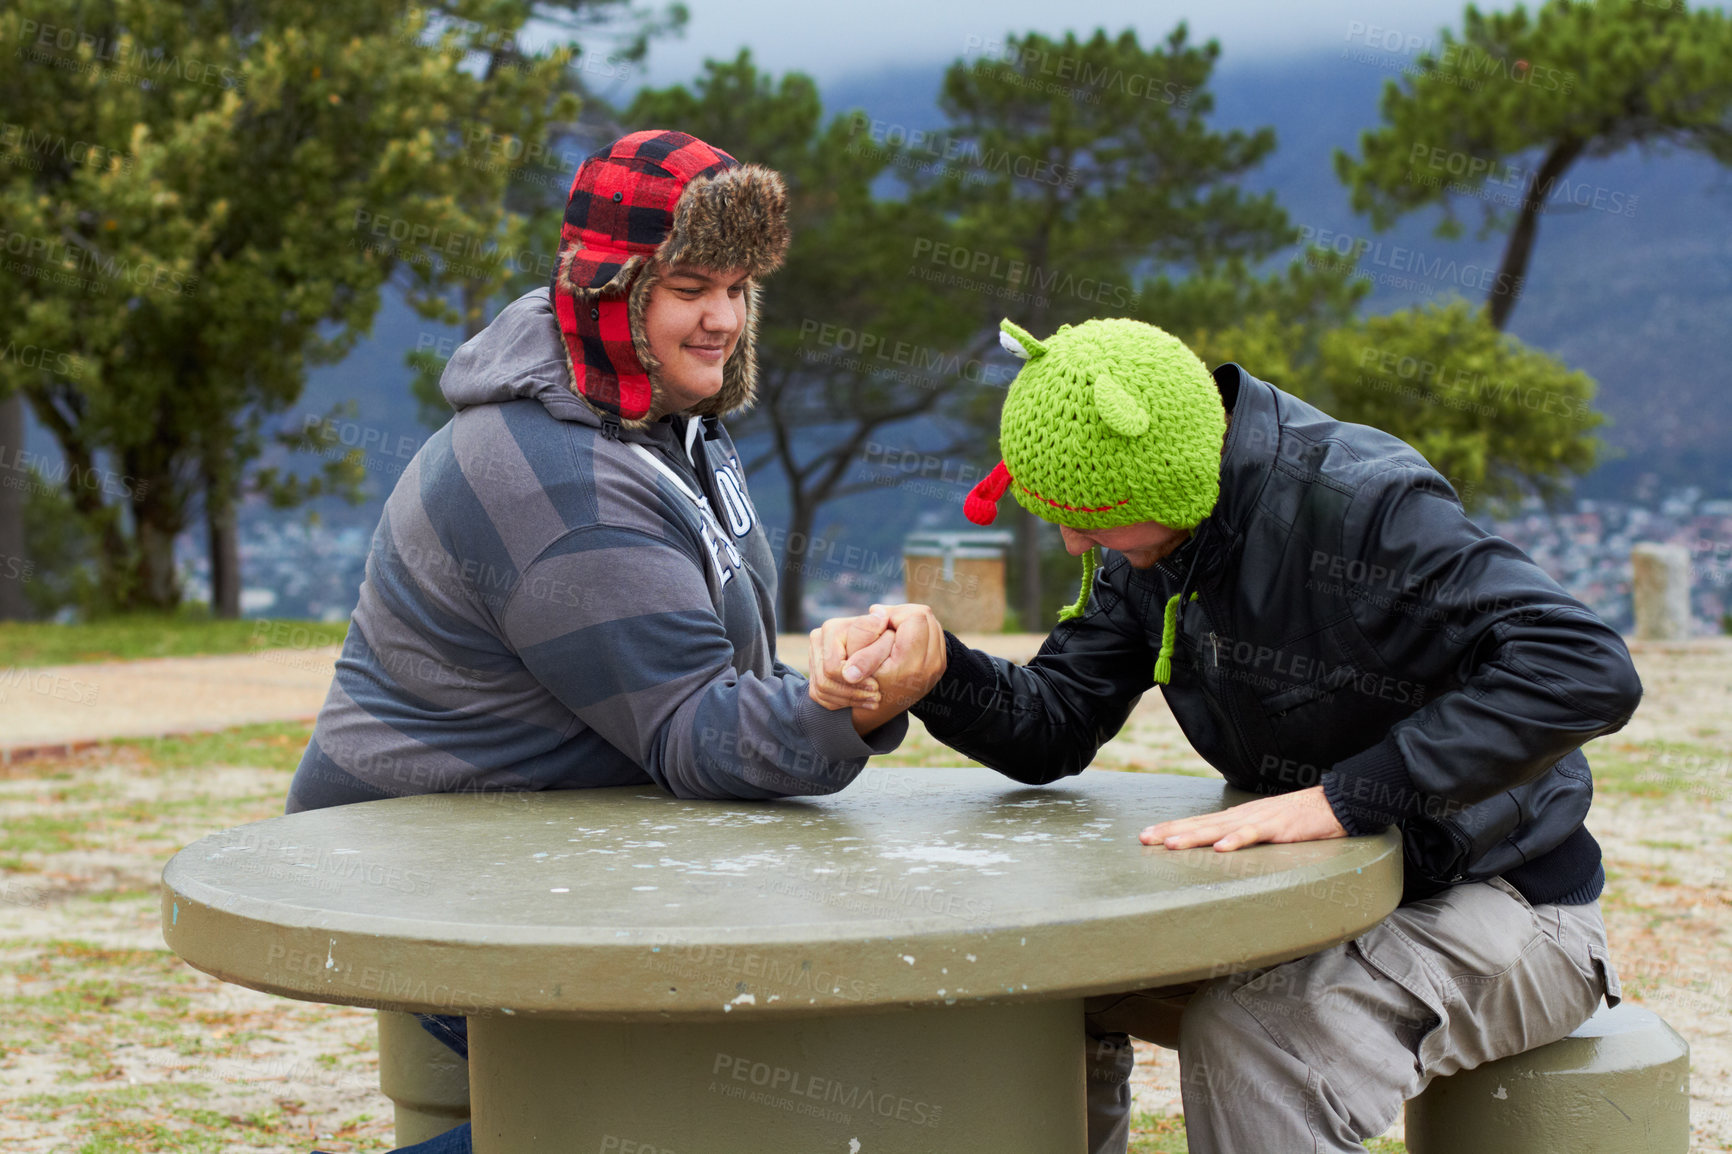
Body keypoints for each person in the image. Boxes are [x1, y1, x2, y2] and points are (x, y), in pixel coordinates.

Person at [811, 316, 1640, 1153]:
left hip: (1514, 903)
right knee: (1047, 983)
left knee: (1258, 1040)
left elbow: (1583, 665)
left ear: (1164, 481)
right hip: (1324, 903)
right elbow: (1058, 722)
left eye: (1091, 520)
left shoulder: (1363, 506)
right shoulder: (1156, 534)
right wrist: (939, 674)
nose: (1072, 541)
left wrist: (1352, 795)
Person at [292, 130, 942, 1154]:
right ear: (611, 290)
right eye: (690, 284)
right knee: (716, 1115)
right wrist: (850, 700)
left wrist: (830, 679)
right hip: (433, 880)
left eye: (738, 284)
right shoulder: (566, 480)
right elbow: (693, 727)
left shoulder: (652, 413)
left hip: (543, 855)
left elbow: (704, 668)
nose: (723, 316)